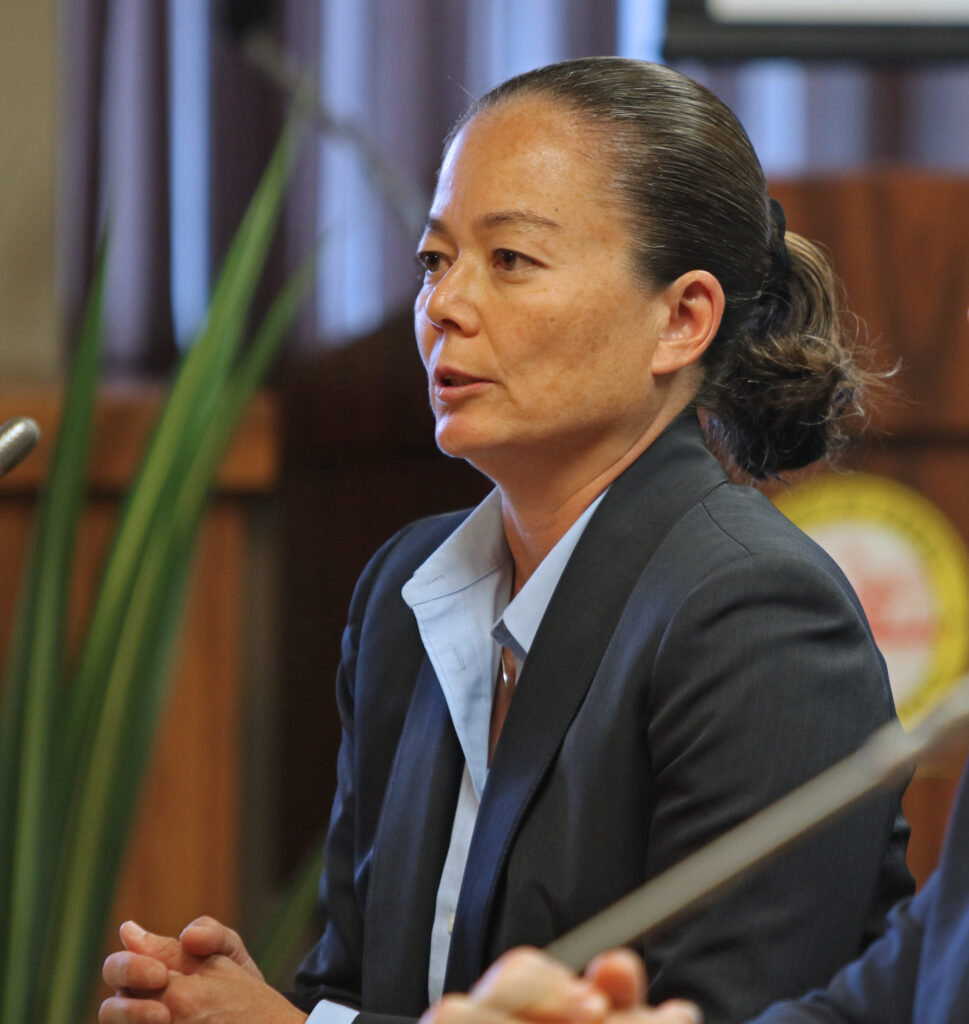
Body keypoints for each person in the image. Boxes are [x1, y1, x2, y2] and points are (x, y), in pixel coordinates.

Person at [99, 57, 913, 1024]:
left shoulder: (755, 612)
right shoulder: (406, 591)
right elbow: (354, 990)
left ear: (681, 319)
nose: (444, 304)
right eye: (434, 260)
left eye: (510, 259)